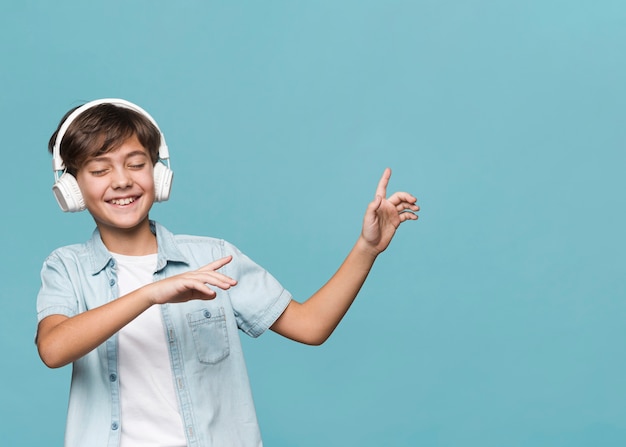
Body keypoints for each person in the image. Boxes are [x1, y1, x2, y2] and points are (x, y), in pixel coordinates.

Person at [36, 98, 419, 447]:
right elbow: (53, 349)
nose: (122, 180)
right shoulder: (67, 267)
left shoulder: (214, 257)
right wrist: (151, 293)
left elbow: (311, 326)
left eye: (136, 164)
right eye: (100, 170)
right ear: (71, 188)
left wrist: (366, 248)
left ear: (158, 173)